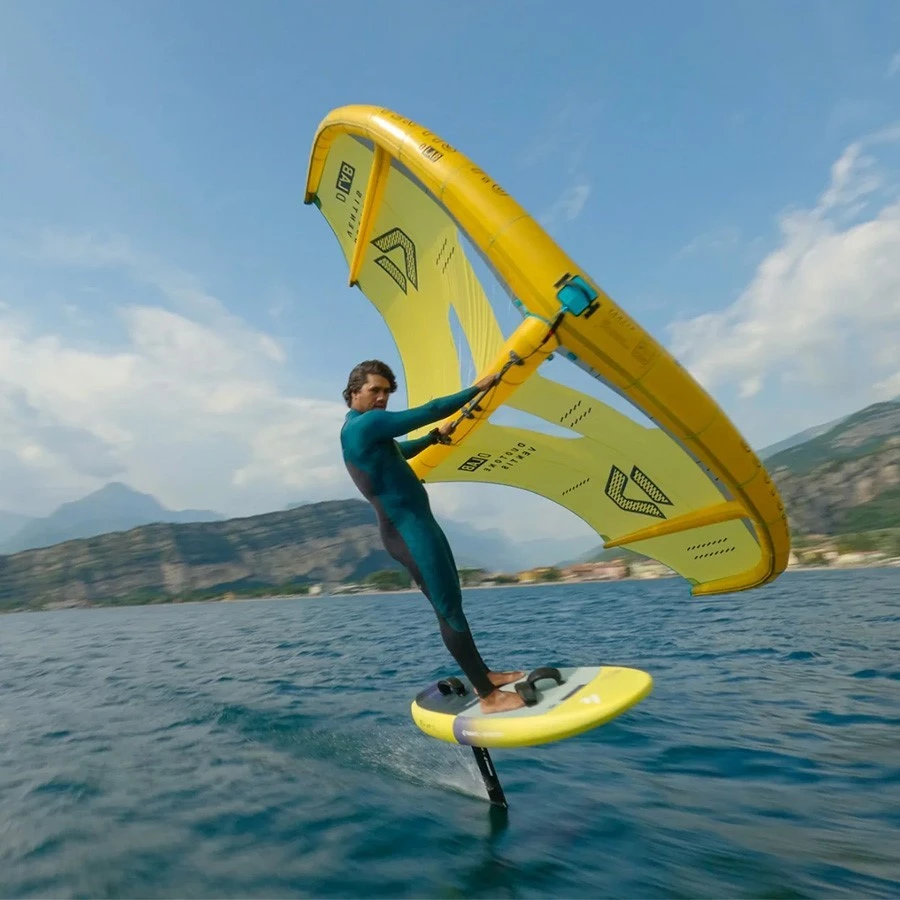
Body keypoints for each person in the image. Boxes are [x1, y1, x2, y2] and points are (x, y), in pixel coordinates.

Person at [341, 359, 526, 714]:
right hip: (408, 531)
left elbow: (399, 452)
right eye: (374, 390)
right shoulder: (366, 425)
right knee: (448, 609)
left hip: (419, 525)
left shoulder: (363, 433)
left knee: (452, 601)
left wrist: (431, 439)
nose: (382, 398)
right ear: (353, 393)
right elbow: (431, 409)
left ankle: (483, 675)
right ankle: (488, 697)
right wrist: (477, 388)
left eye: (386, 392)